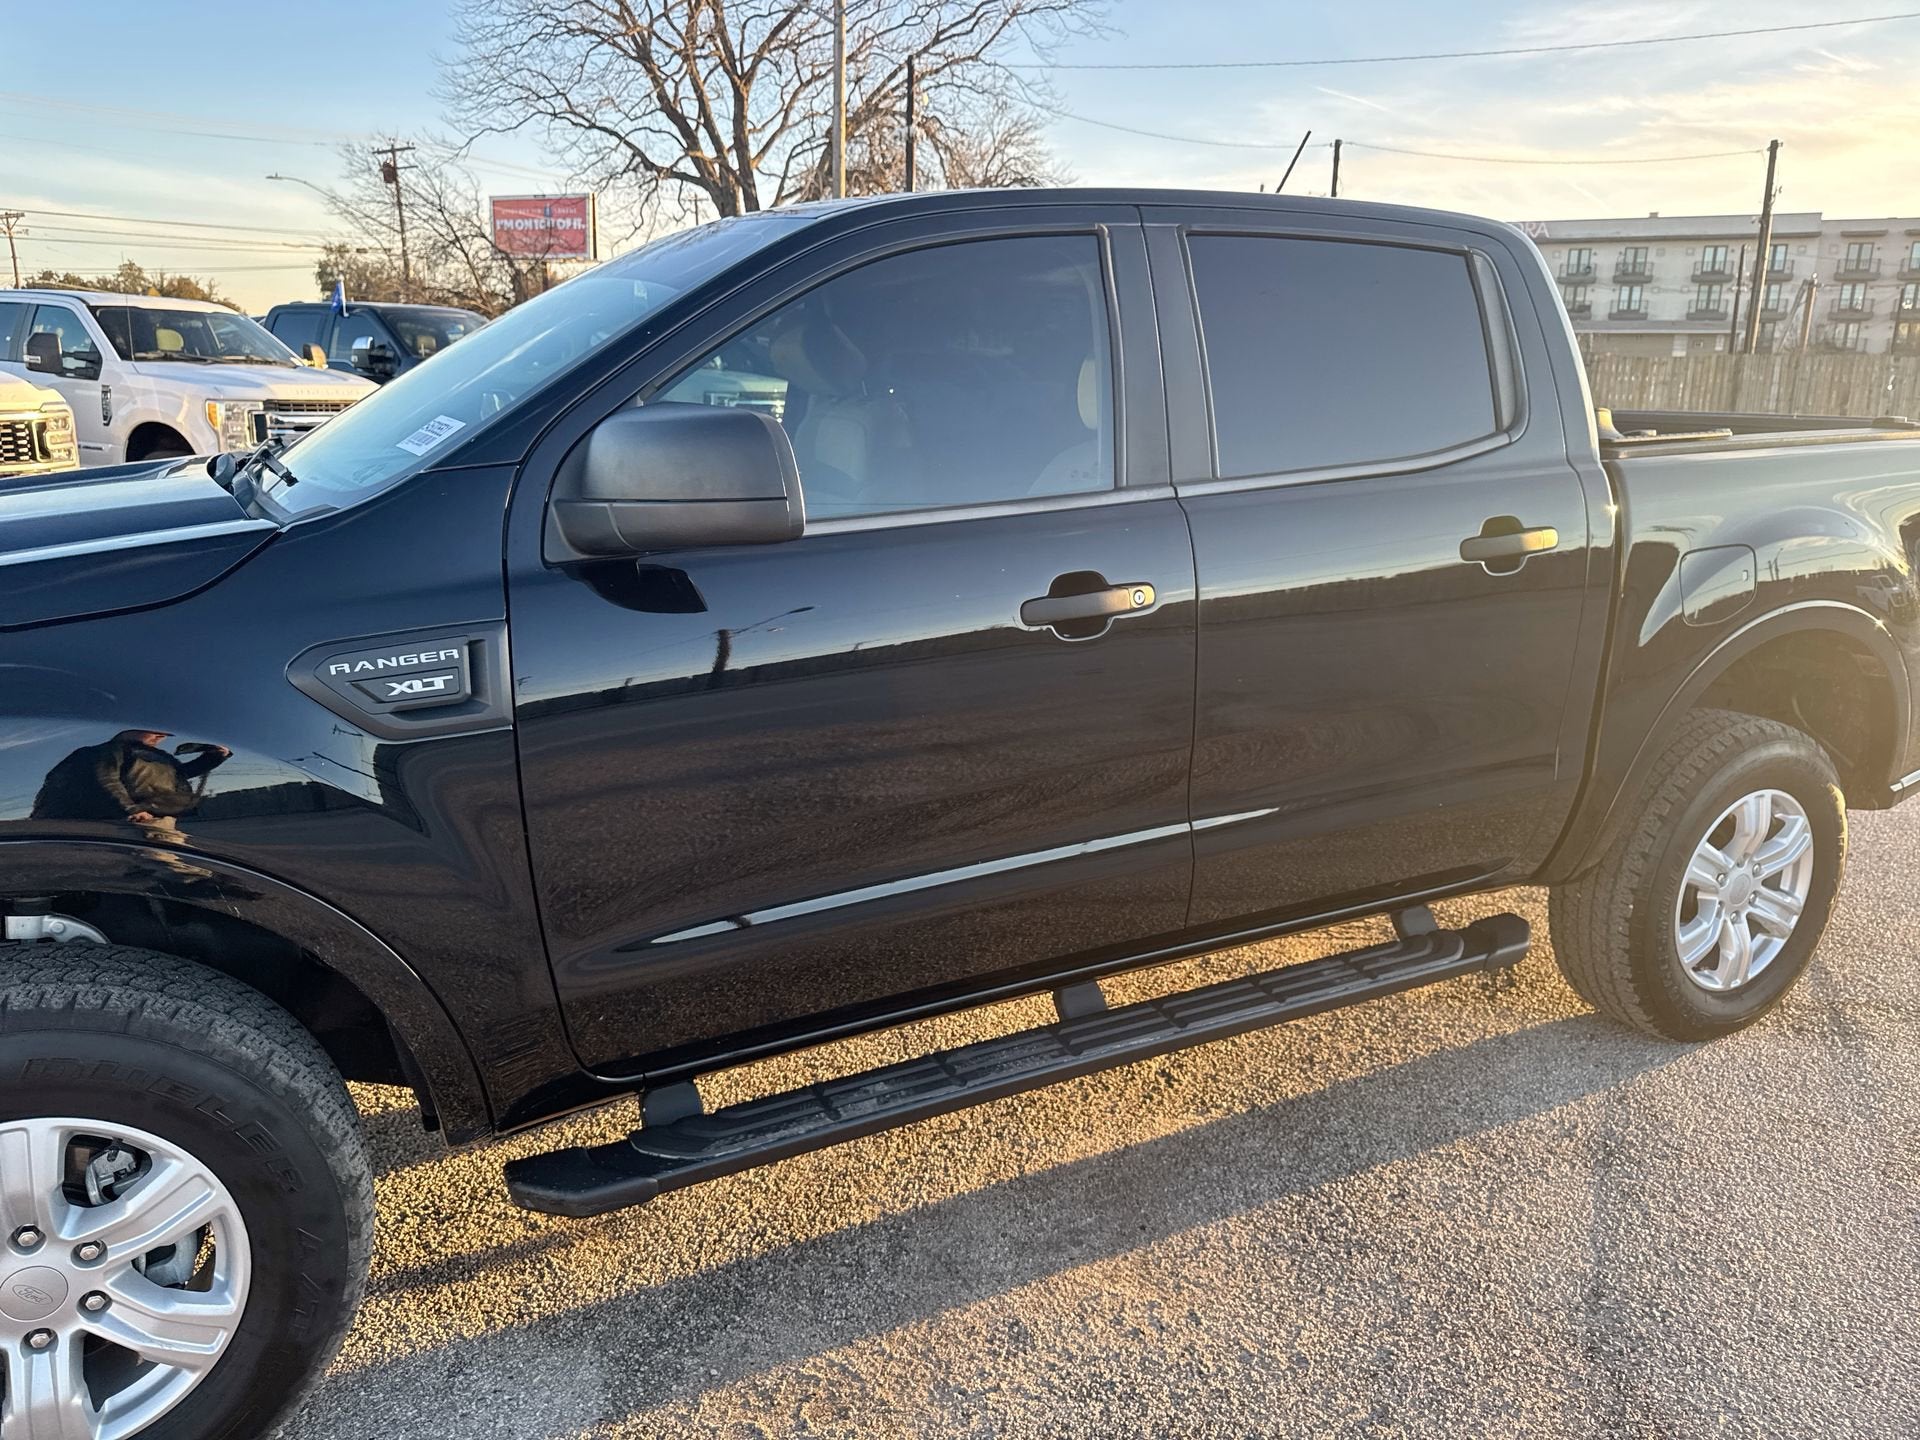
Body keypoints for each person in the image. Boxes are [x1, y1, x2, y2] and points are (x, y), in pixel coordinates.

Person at [31, 729, 231, 837]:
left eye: (165, 734)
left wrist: (215, 757)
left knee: (159, 861)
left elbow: (181, 774)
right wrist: (131, 810)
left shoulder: (158, 757)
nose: (161, 736)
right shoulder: (105, 752)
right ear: (126, 729)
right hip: (138, 821)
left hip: (163, 817)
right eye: (153, 729)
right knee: (170, 861)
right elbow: (103, 779)